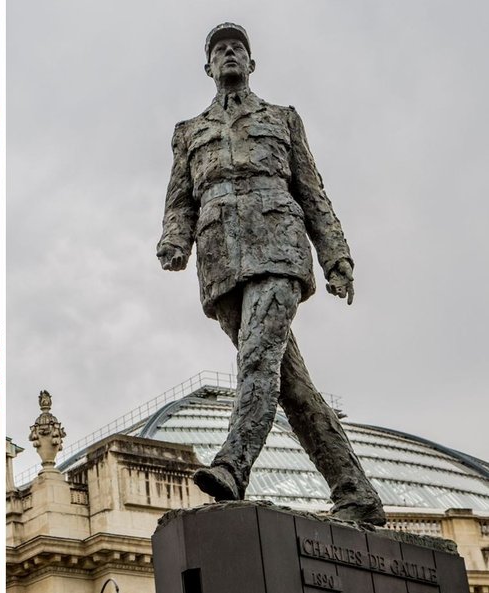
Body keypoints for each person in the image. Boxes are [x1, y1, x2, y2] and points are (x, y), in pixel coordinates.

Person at [156, 23, 385, 525]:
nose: (230, 54)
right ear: (209, 67)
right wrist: (174, 240)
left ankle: (234, 463)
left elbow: (312, 192)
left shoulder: (282, 119)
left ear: (251, 64)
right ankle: (356, 491)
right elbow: (180, 201)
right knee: (291, 385)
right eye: (220, 50)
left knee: (258, 359)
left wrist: (335, 257)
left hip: (279, 249)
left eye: (238, 48)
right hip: (220, 263)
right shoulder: (189, 132)